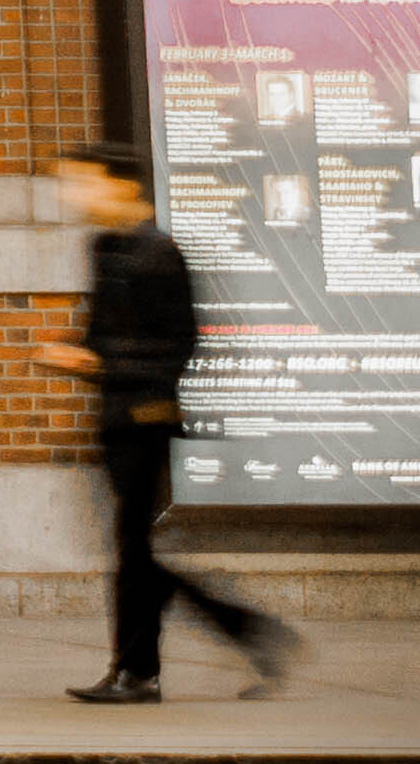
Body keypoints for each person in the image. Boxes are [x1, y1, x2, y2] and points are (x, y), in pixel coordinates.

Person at [56, 145, 301, 705]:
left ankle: (142, 671)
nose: (73, 196)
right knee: (135, 553)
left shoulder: (158, 252)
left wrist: (101, 364)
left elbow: (178, 345)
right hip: (116, 416)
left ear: (122, 187)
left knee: (134, 552)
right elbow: (104, 334)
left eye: (82, 183)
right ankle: (236, 635)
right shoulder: (106, 247)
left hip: (145, 417)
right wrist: (75, 353)